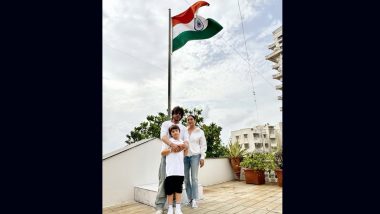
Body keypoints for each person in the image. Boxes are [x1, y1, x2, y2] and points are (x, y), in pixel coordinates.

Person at [155, 106, 189, 214]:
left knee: (176, 183)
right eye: (176, 113)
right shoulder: (165, 124)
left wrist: (180, 148)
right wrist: (172, 145)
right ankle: (159, 206)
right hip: (166, 156)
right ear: (172, 114)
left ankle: (174, 206)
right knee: (163, 181)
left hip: (178, 160)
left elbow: (186, 142)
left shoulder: (183, 128)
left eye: (180, 114)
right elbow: (163, 137)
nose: (178, 115)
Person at [160, 125, 186, 214]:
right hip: (170, 171)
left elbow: (185, 154)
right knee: (170, 190)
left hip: (180, 171)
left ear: (179, 132)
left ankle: (178, 208)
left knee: (178, 190)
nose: (175, 132)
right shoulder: (169, 142)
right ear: (171, 133)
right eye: (173, 131)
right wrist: (171, 149)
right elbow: (162, 152)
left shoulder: (183, 142)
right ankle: (170, 208)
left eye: (176, 130)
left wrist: (185, 146)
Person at [184, 114, 207, 208]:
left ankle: (194, 199)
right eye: (188, 119)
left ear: (195, 120)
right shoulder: (184, 131)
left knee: (194, 178)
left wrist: (202, 157)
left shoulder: (200, 131)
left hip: (195, 156)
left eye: (191, 119)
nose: (190, 121)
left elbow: (203, 145)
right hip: (185, 156)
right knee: (185, 179)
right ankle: (189, 199)